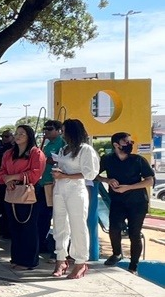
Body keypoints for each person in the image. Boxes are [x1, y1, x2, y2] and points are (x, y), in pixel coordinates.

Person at [97, 131, 155, 274]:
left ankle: (133, 265)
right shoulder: (107, 159)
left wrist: (128, 187)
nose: (130, 144)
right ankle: (116, 253)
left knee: (134, 234)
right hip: (117, 201)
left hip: (138, 202)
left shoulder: (138, 160)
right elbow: (93, 174)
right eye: (126, 142)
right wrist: (107, 180)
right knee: (114, 229)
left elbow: (149, 180)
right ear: (116, 145)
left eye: (131, 142)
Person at [51, 119, 101, 279]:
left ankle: (80, 262)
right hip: (60, 188)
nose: (62, 133)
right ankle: (60, 259)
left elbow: (90, 174)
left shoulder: (85, 150)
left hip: (76, 190)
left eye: (64, 130)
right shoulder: (64, 149)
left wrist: (65, 175)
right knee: (59, 224)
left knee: (77, 225)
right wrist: (59, 173)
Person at [0, 125, 46, 270]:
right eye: (16, 133)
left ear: (29, 136)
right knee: (14, 227)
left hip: (29, 192)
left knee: (28, 227)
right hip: (12, 192)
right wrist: (8, 179)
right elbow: (1, 172)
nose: (18, 136)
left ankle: (29, 261)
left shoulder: (36, 153)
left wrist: (15, 177)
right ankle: (17, 258)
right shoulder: (8, 153)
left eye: (22, 134)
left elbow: (35, 174)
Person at [37, 120, 65, 255]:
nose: (46, 131)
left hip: (55, 184)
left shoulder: (63, 143)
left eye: (50, 128)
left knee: (57, 215)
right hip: (44, 184)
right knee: (43, 216)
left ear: (58, 130)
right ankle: (42, 242)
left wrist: (51, 160)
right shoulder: (46, 145)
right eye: (45, 128)